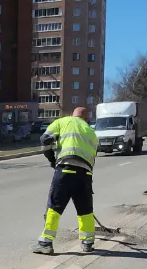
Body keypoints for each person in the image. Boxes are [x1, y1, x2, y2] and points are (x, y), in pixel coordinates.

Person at [32, 107, 99, 255]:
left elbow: (45, 139)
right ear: (86, 119)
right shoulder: (91, 132)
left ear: (72, 115)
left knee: (55, 207)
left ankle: (46, 243)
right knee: (85, 210)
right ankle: (87, 243)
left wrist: (52, 160)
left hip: (65, 170)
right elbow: (92, 158)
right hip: (85, 174)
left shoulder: (62, 121)